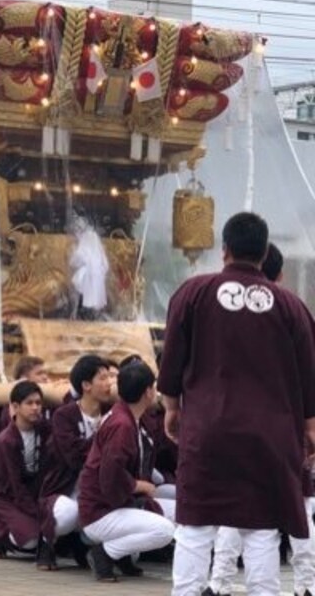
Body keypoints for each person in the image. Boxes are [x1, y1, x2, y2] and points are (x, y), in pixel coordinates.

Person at [158, 212, 315, 596]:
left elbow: (171, 362)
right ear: (263, 253)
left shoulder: (192, 293)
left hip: (207, 430)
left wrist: (172, 408)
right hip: (270, 437)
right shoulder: (292, 306)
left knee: (195, 527)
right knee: (261, 529)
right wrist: (310, 428)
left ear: (224, 249)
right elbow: (309, 377)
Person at [206, 242, 315, 596]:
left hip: (231, 425)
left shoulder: (220, 308)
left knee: (233, 507)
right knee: (299, 507)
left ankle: (219, 582)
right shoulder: (293, 310)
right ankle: (306, 584)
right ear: (279, 274)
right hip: (283, 428)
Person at [78, 361, 175, 582]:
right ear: (148, 392)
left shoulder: (130, 417)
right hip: (100, 513)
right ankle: (105, 554)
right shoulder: (122, 424)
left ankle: (119, 555)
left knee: (180, 513)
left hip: (115, 505)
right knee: (164, 531)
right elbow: (110, 476)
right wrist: (139, 486)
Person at [37, 355, 116, 570]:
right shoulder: (64, 415)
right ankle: (46, 543)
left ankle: (81, 543)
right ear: (86, 385)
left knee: (130, 549)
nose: (109, 383)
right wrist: (101, 435)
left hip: (99, 491)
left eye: (110, 378)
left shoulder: (111, 413)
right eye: (103, 378)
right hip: (66, 489)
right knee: (67, 514)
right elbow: (73, 456)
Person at [0, 380, 52, 559]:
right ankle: (2, 536)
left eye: (38, 403)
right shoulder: (4, 441)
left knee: (54, 528)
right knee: (33, 539)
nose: (35, 408)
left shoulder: (45, 429)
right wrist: (37, 512)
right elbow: (12, 484)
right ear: (15, 407)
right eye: (29, 403)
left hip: (33, 492)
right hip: (6, 495)